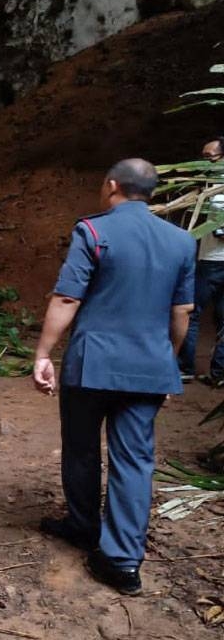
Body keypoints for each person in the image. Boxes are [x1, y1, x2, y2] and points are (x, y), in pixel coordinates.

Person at [33, 159, 194, 596]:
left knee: (83, 449)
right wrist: (168, 359)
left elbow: (68, 296)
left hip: (93, 365)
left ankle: (83, 527)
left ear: (111, 186)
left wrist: (44, 352)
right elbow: (182, 313)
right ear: (152, 192)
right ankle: (122, 562)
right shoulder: (181, 241)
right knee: (135, 459)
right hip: (148, 368)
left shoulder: (94, 231)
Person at [178, 136, 224, 385]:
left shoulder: (217, 193)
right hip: (213, 260)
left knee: (190, 312)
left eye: (209, 157)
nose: (203, 162)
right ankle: (219, 373)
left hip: (213, 262)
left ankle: (185, 367)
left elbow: (219, 230)